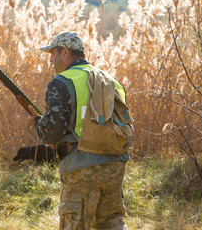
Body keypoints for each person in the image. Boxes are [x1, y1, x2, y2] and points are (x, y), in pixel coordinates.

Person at [27, 31, 130, 230]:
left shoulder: (62, 81)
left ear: (65, 52)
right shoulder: (112, 82)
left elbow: (52, 133)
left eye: (53, 53)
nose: (50, 59)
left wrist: (37, 123)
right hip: (116, 164)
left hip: (81, 168)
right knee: (112, 224)